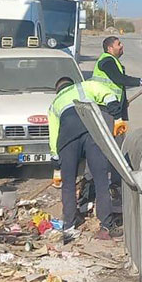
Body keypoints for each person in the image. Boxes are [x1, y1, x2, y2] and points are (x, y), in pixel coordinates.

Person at [47, 76, 125, 239]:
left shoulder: (54, 104)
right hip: (91, 131)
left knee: (68, 184)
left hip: (67, 139)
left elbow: (53, 133)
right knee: (101, 180)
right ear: (72, 84)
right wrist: (115, 110)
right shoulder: (85, 86)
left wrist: (56, 163)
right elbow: (107, 94)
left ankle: (68, 227)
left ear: (57, 91)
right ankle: (106, 226)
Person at [92, 36, 142, 122]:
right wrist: (141, 82)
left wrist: (123, 103)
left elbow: (117, 85)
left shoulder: (112, 60)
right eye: (118, 44)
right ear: (110, 48)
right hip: (106, 108)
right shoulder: (107, 61)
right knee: (111, 133)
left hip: (112, 106)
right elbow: (119, 79)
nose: (122, 46)